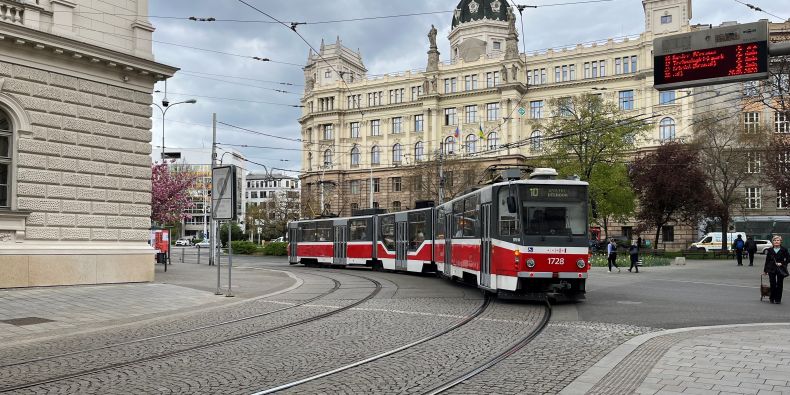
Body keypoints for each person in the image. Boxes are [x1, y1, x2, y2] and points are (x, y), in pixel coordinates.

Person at [763, 235, 788, 304]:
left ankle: (778, 299)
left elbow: (788, 259)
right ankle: (772, 298)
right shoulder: (769, 250)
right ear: (772, 242)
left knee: (779, 284)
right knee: (772, 284)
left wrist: (782, 263)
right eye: (774, 240)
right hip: (771, 269)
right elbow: (767, 260)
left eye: (778, 240)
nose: (776, 241)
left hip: (781, 269)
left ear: (780, 242)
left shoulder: (784, 249)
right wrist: (765, 270)